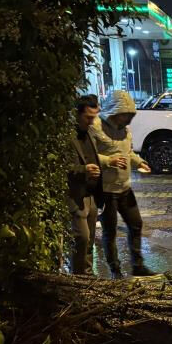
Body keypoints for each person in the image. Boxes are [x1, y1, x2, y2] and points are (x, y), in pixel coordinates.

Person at [91, 90, 154, 278]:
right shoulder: (95, 127)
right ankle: (115, 270)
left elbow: (129, 153)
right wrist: (108, 161)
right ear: (114, 112)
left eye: (129, 115)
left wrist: (139, 162)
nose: (127, 118)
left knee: (136, 224)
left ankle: (138, 266)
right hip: (106, 190)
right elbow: (88, 155)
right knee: (109, 232)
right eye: (124, 114)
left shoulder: (125, 131)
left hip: (125, 188)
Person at [68, 95, 106, 275]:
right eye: (88, 117)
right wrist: (84, 170)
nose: (92, 121)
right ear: (77, 114)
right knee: (81, 238)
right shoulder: (67, 137)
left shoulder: (90, 133)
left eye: (95, 116)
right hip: (76, 195)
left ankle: (88, 278)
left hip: (92, 195)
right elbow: (60, 167)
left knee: (89, 240)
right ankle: (77, 279)